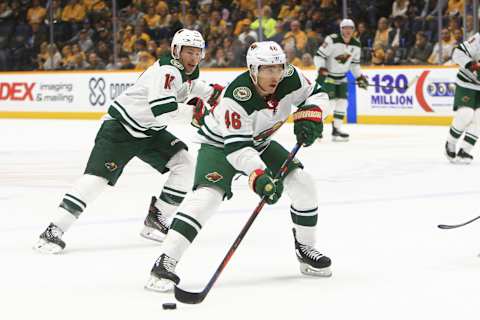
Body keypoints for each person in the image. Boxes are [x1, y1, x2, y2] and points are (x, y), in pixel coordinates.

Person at [144, 41, 332, 292]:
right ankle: (165, 261)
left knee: (303, 183)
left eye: (278, 68)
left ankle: (305, 248)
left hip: (260, 142)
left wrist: (313, 113)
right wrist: (259, 175)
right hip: (221, 145)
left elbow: (317, 94)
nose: (274, 75)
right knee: (206, 198)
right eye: (267, 69)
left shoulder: (291, 76)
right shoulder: (237, 96)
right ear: (253, 70)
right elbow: (238, 149)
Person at [34, 29, 223, 253]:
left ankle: (157, 218)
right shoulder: (168, 71)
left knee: (185, 163)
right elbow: (162, 111)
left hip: (150, 131)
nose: (193, 58)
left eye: (197, 53)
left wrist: (233, 103)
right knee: (96, 179)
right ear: (175, 51)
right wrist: (195, 115)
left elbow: (206, 91)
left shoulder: (187, 75)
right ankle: (54, 229)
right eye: (188, 52)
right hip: (121, 129)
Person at [314, 18, 368, 141]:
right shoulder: (332, 40)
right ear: (341, 29)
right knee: (329, 103)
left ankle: (336, 129)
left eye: (350, 28)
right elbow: (319, 56)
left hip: (342, 77)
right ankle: (316, 127)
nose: (348, 30)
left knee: (343, 103)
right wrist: (321, 68)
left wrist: (359, 77)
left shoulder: (356, 44)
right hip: (328, 77)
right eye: (345, 28)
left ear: (353, 30)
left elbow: (355, 64)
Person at [445, 32, 480, 164]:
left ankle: (465, 151)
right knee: (466, 113)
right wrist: (472, 65)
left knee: (479, 119)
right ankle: (451, 143)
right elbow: (457, 53)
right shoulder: (478, 39)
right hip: (466, 82)